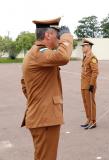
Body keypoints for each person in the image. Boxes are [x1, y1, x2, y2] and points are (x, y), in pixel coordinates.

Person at [21, 17, 73, 160]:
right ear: (48, 35)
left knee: (43, 156)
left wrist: (38, 99)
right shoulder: (39, 52)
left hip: (41, 116)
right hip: (44, 118)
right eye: (57, 34)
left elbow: (24, 85)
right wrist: (67, 37)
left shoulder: (35, 53)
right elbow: (63, 57)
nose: (58, 39)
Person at [80, 39, 99, 129]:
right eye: (82, 46)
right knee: (86, 102)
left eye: (84, 46)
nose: (82, 48)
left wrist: (92, 84)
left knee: (90, 103)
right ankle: (88, 119)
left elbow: (95, 72)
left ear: (88, 47)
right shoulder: (85, 57)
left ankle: (93, 121)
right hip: (84, 84)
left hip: (89, 84)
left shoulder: (92, 58)